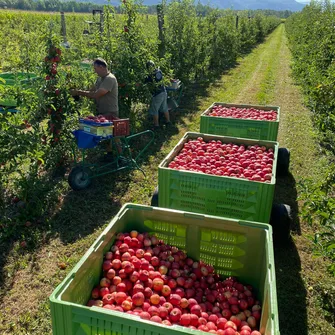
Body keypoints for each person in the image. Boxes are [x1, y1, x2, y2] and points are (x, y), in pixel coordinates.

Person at [70, 58, 121, 161]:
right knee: (106, 135)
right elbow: (92, 90)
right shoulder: (100, 78)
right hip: (102, 112)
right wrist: (78, 90)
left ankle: (121, 156)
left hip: (110, 111)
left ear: (101, 67)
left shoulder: (109, 79)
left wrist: (79, 92)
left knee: (115, 136)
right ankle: (109, 154)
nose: (94, 71)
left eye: (95, 68)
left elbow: (96, 94)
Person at [145, 60, 171, 129]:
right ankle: (168, 121)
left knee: (155, 110)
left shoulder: (150, 75)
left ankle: (156, 125)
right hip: (164, 91)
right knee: (165, 107)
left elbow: (145, 82)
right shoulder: (159, 71)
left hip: (157, 94)